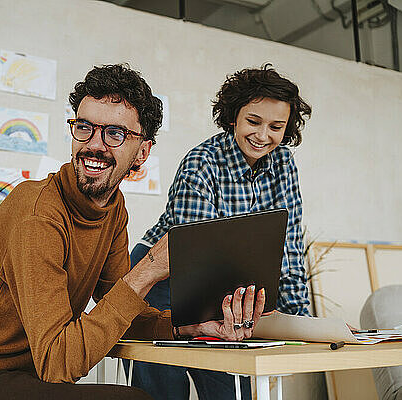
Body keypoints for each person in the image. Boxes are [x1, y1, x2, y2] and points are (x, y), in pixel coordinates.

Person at [0, 64, 266, 400]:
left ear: (142, 153)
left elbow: (126, 315)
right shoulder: (38, 214)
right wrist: (149, 268)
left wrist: (189, 326)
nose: (94, 144)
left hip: (22, 382)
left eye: (115, 133)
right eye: (85, 128)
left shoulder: (112, 209)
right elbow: (58, 364)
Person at [126, 64, 313, 400]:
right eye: (253, 122)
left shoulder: (284, 162)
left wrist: (300, 326)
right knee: (164, 389)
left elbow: (290, 249)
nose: (262, 135)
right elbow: (200, 255)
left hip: (224, 279)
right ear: (233, 118)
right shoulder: (202, 162)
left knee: (227, 389)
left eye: (276, 126)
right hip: (163, 276)